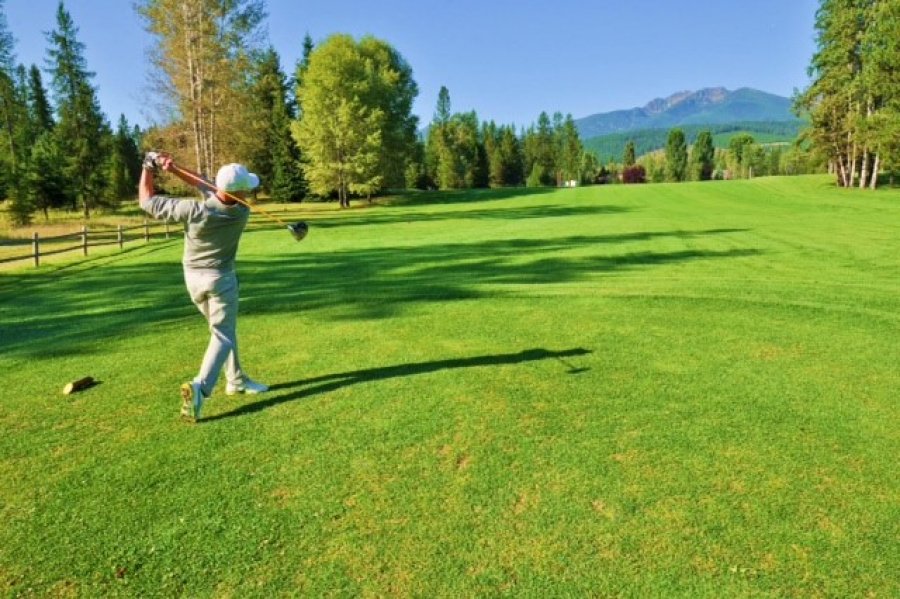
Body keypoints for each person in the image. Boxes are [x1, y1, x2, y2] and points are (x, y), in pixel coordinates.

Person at [138, 152, 268, 422]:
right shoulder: (242, 212)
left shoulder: (194, 210)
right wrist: (173, 169)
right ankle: (200, 388)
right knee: (223, 335)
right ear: (240, 192)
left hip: (193, 280)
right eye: (248, 190)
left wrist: (149, 167)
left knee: (223, 331)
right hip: (221, 280)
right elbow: (203, 184)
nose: (251, 195)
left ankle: (236, 380)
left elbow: (146, 201)